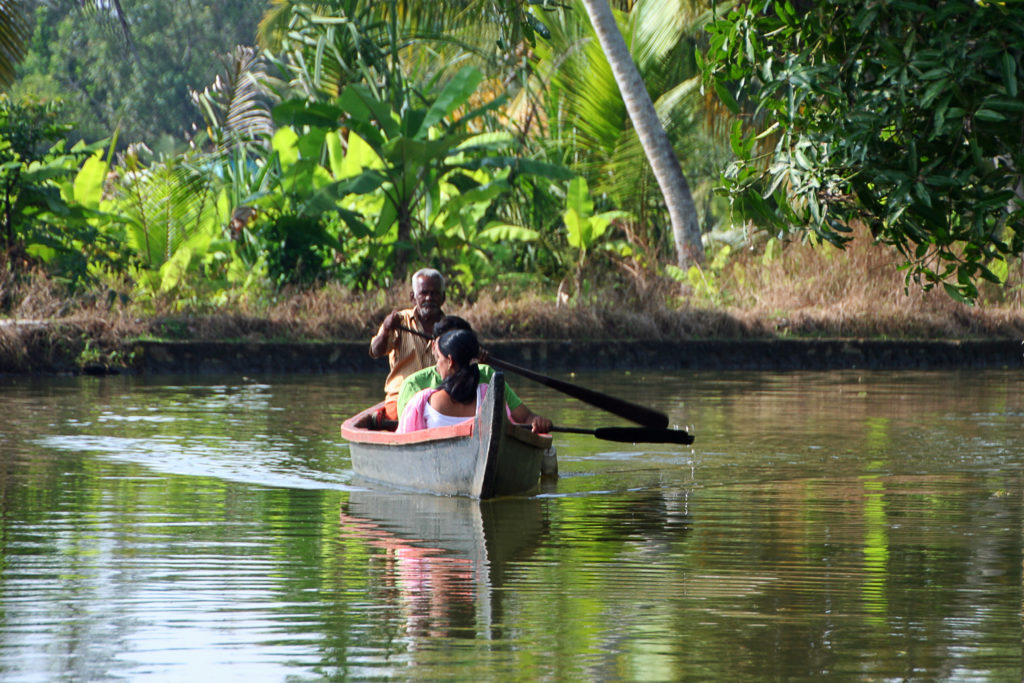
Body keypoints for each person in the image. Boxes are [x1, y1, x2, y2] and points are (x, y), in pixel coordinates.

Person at [396, 315, 552, 433]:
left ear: (449, 359)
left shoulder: (488, 381)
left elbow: (524, 418)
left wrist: (537, 421)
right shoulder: (414, 384)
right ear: (434, 346)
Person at [369, 268, 447, 420]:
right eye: (423, 293)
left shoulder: (451, 327)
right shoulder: (399, 321)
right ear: (413, 297)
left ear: (443, 297)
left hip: (438, 402)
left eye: (435, 293)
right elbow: (376, 351)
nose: (429, 298)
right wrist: (385, 329)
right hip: (400, 401)